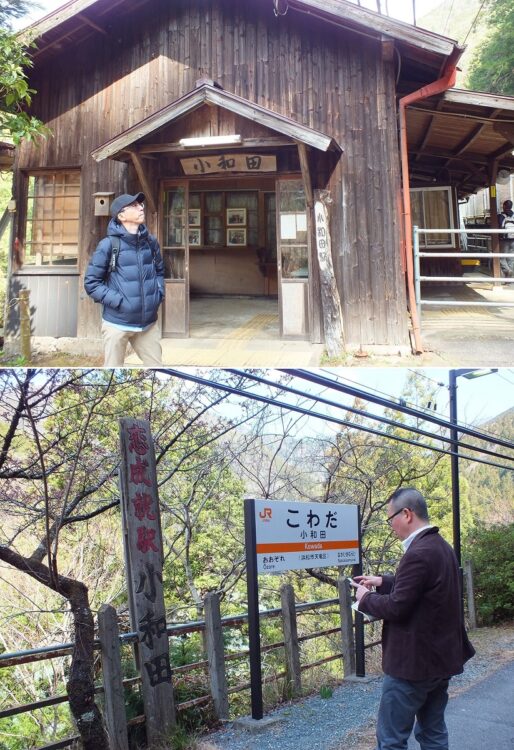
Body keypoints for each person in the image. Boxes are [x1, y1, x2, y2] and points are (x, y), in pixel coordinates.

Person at [353, 487, 475, 750]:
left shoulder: (418, 553)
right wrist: (383, 581)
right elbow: (423, 587)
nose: (390, 525)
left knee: (391, 739)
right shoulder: (440, 547)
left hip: (412, 666)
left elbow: (397, 607)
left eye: (390, 518)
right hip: (439, 662)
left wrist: (364, 597)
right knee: (433, 732)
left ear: (406, 514)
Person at [84, 192, 165, 366]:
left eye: (140, 205)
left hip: (147, 325)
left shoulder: (150, 243)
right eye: (134, 206)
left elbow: (159, 271)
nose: (141, 208)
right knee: (112, 370)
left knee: (157, 367)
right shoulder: (108, 245)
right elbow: (91, 283)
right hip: (117, 323)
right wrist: (119, 301)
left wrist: (158, 294)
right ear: (121, 216)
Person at [498, 199, 514, 278]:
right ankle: (509, 280)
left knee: (501, 258)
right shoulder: (513, 215)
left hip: (504, 240)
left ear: (504, 206)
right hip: (513, 239)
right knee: (511, 259)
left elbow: (499, 227)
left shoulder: (501, 216)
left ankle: (508, 271)